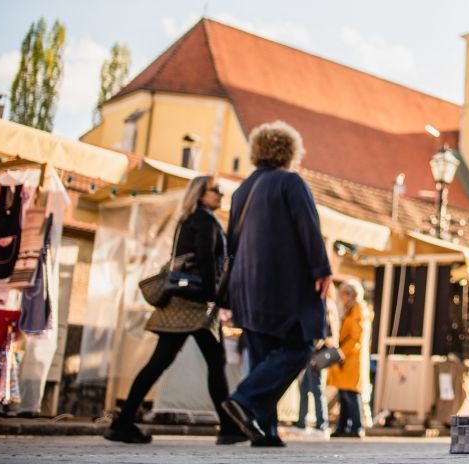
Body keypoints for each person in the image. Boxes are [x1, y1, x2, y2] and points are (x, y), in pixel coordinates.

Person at [105, 176, 247, 445]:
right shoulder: (205, 220)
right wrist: (212, 297)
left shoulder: (187, 220)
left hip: (178, 301)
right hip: (194, 304)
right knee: (211, 363)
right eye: (215, 190)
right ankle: (228, 428)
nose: (220, 194)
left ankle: (123, 423)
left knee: (163, 361)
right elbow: (206, 261)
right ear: (200, 194)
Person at [221, 121, 332, 448]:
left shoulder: (242, 190)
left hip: (246, 284)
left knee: (263, 352)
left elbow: (232, 243)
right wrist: (321, 268)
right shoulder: (290, 182)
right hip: (283, 282)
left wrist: (230, 294)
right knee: (301, 345)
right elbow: (308, 227)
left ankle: (264, 431)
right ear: (289, 151)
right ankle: (244, 400)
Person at [329, 280, 367, 438]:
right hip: (346, 358)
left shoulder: (358, 309)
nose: (341, 297)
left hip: (351, 358)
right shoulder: (349, 309)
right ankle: (343, 426)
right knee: (344, 394)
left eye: (343, 294)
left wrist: (342, 353)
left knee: (351, 394)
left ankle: (356, 426)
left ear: (351, 294)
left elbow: (356, 336)